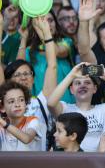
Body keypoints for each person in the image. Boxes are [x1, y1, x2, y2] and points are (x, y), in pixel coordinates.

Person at [47, 63, 105, 152]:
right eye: (77, 83)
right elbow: (51, 103)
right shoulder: (66, 109)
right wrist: (71, 75)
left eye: (87, 82)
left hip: (96, 161)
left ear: (95, 89)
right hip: (71, 160)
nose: (82, 86)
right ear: (71, 90)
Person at [4, 16, 57, 150]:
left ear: (33, 78)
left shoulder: (42, 101)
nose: (23, 78)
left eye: (27, 74)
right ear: (9, 80)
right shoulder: (3, 102)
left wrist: (47, 35)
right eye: (17, 75)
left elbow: (52, 66)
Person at [18, 11, 74, 103]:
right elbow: (18, 69)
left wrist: (42, 31)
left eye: (50, 20)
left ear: (56, 23)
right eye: (43, 21)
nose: (47, 24)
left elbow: (56, 52)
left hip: (67, 105)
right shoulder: (30, 50)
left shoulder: (66, 42)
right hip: (41, 107)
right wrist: (24, 39)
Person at [0, 81, 45, 151]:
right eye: (11, 101)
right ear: (2, 108)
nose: (17, 104)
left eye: (21, 100)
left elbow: (26, 139)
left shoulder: (33, 121)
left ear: (26, 103)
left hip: (31, 162)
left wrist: (2, 122)